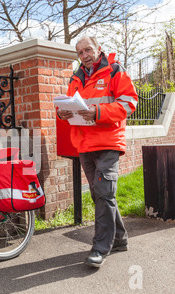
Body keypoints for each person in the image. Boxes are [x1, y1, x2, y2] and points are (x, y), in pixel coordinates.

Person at [57, 36, 138, 267]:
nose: (85, 55)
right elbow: (69, 106)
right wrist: (61, 113)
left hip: (108, 142)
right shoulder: (76, 78)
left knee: (103, 193)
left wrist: (97, 112)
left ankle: (100, 248)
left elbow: (129, 103)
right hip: (84, 144)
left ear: (98, 49)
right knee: (100, 194)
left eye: (88, 50)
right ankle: (120, 239)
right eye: (80, 52)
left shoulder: (114, 70)